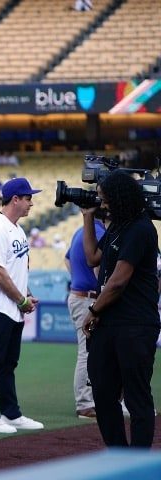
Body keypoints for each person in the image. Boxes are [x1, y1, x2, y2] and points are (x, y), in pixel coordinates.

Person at [81, 171, 160, 448]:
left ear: (119, 198)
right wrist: (87, 217)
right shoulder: (118, 226)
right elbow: (92, 256)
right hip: (110, 323)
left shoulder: (141, 228)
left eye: (105, 199)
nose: (102, 203)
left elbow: (118, 281)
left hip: (135, 324)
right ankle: (118, 456)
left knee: (137, 397)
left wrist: (93, 310)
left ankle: (137, 467)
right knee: (103, 394)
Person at [0, 177, 44, 434]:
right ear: (15, 199)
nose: (31, 203)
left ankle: (11, 413)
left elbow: (16, 269)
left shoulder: (17, 229)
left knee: (8, 363)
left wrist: (26, 293)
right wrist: (21, 300)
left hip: (13, 306)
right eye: (28, 198)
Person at [64, 210, 107, 420]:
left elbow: (67, 259)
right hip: (87, 299)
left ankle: (90, 400)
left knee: (90, 350)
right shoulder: (99, 232)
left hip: (78, 295)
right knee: (87, 351)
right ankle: (85, 404)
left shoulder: (81, 231)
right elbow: (100, 269)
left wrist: (78, 279)